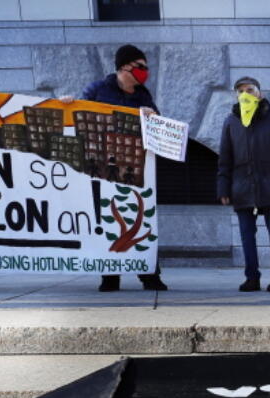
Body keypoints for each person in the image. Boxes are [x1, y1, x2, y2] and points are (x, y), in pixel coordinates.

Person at [73, 44, 167, 293]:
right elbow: (78, 115)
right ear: (124, 67)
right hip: (102, 165)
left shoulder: (143, 95)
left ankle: (149, 275)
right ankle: (110, 276)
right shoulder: (97, 89)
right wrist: (64, 105)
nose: (145, 71)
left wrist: (151, 116)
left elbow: (157, 128)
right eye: (140, 67)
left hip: (133, 165)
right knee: (108, 218)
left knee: (140, 218)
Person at [218, 76, 270, 293]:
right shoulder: (231, 121)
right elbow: (225, 157)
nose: (246, 94)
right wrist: (223, 188)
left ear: (260, 92)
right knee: (246, 235)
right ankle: (252, 277)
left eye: (250, 89)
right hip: (242, 187)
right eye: (241, 91)